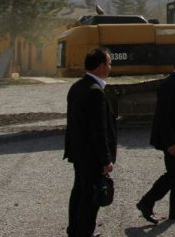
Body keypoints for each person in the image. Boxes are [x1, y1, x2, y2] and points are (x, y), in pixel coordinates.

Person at [136, 52, 175, 224]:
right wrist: (171, 142)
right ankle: (146, 202)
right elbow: (163, 117)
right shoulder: (169, 85)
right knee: (174, 174)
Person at [64, 47, 117, 237]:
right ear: (101, 66)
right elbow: (99, 130)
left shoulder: (77, 87)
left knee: (79, 191)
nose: (110, 67)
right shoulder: (95, 92)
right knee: (91, 198)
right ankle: (84, 232)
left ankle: (74, 230)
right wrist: (106, 159)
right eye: (109, 63)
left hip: (79, 152)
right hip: (92, 155)